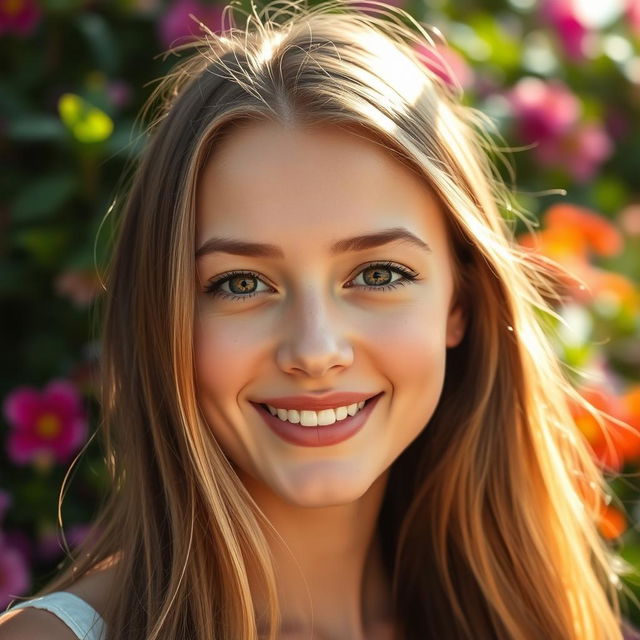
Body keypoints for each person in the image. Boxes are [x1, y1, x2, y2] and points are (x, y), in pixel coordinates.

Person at [0, 0, 637, 638]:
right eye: (241, 283)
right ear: (165, 317)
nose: (315, 348)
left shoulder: (538, 623)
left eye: (378, 274)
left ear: (459, 304)